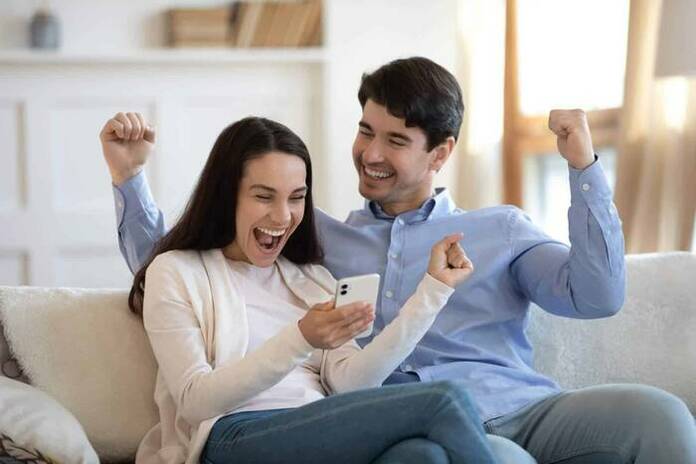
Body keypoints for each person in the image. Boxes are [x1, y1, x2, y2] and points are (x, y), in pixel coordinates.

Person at [102, 57, 696, 463]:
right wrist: (130, 180)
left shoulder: (501, 228)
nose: (370, 154)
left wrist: (584, 169)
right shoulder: (315, 241)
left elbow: (598, 297)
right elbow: (182, 262)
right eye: (366, 131)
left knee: (661, 417)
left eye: (395, 140)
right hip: (405, 425)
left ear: (440, 153)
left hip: (518, 407)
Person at [119, 115, 499, 464]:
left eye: (296, 197)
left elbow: (351, 384)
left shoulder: (312, 279)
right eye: (263, 196)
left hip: (314, 428)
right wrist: (302, 337)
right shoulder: (176, 271)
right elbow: (193, 401)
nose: (283, 216)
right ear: (225, 195)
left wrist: (434, 291)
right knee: (445, 399)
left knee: (422, 456)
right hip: (233, 435)